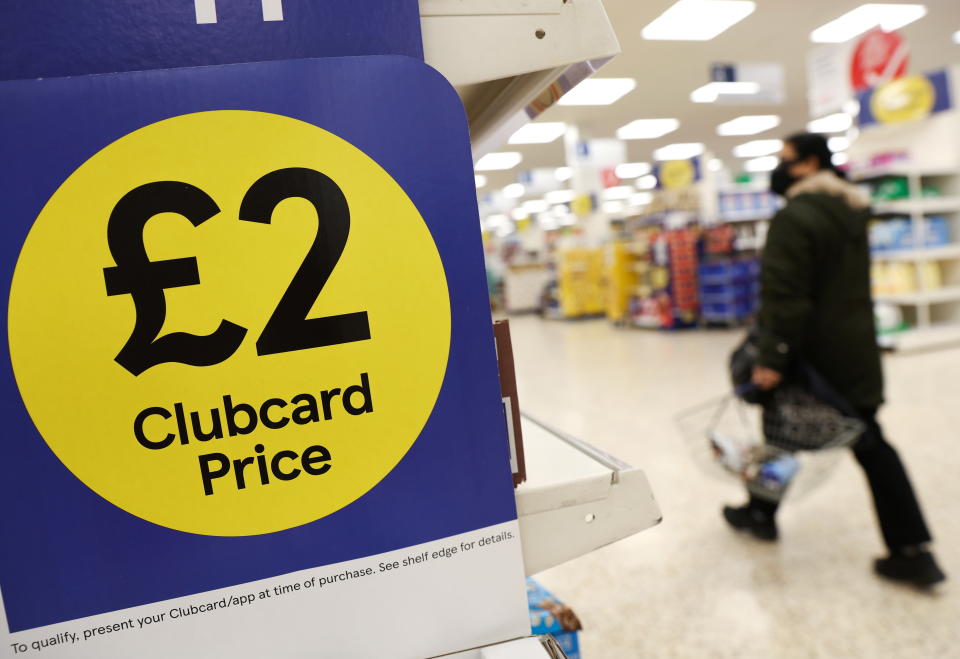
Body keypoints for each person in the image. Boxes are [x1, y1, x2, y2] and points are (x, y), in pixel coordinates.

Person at [722, 132, 946, 588]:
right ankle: (762, 512)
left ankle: (912, 553)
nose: (778, 168)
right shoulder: (850, 211)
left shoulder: (795, 217)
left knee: (852, 443)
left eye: (785, 159)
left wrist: (772, 357)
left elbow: (786, 298)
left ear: (807, 165)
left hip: (813, 357)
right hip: (855, 351)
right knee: (801, 432)